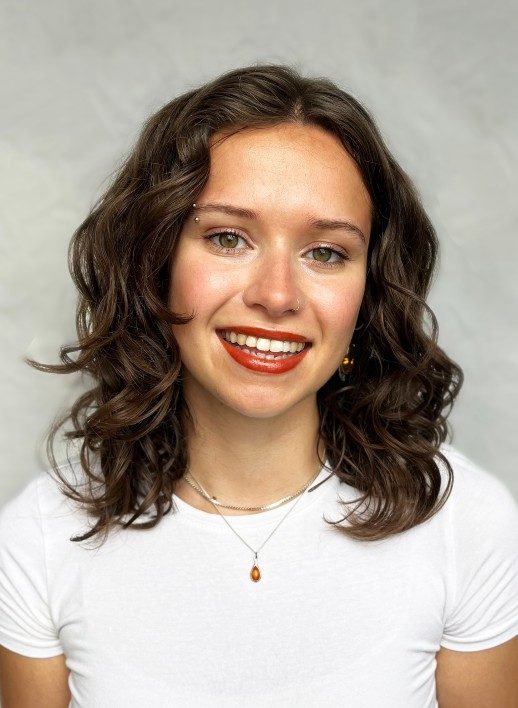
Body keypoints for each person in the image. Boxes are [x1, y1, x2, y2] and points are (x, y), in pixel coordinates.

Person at [0, 63, 517, 707]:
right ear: (154, 263)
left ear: (370, 292)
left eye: (326, 252)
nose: (276, 296)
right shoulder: (42, 537)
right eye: (227, 238)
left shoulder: (465, 522)